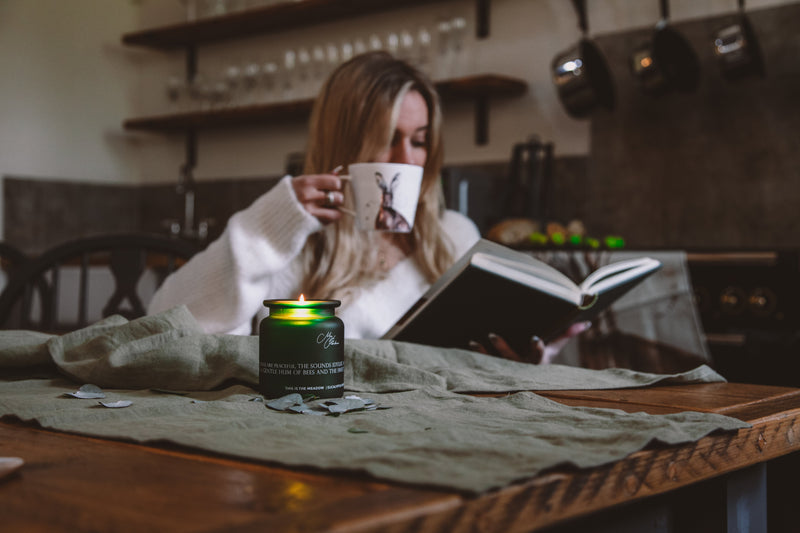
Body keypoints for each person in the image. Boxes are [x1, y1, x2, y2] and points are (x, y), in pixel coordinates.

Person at [148, 51, 577, 363]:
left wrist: (516, 358)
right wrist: (268, 226)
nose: (408, 159)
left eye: (420, 140)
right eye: (388, 136)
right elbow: (168, 327)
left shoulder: (455, 235)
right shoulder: (295, 240)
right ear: (346, 141)